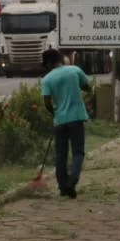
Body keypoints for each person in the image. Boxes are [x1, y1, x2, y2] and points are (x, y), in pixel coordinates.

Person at [41, 49, 91, 199]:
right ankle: (72, 181)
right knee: (78, 152)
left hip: (60, 120)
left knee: (60, 155)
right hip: (76, 118)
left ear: (48, 63)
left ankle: (63, 187)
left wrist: (55, 113)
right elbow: (87, 87)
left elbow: (47, 103)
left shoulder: (47, 79)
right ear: (60, 59)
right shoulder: (74, 70)